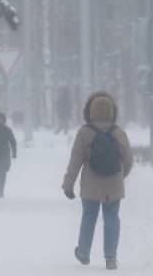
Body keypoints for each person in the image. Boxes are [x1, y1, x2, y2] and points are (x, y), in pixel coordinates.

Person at [62, 92, 133, 270]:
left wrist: (68, 184)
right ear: (112, 111)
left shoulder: (84, 132)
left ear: (91, 111)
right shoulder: (119, 132)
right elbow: (128, 160)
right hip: (113, 186)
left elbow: (75, 160)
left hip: (90, 186)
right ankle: (110, 257)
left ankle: (84, 253)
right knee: (111, 219)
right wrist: (119, 176)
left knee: (89, 218)